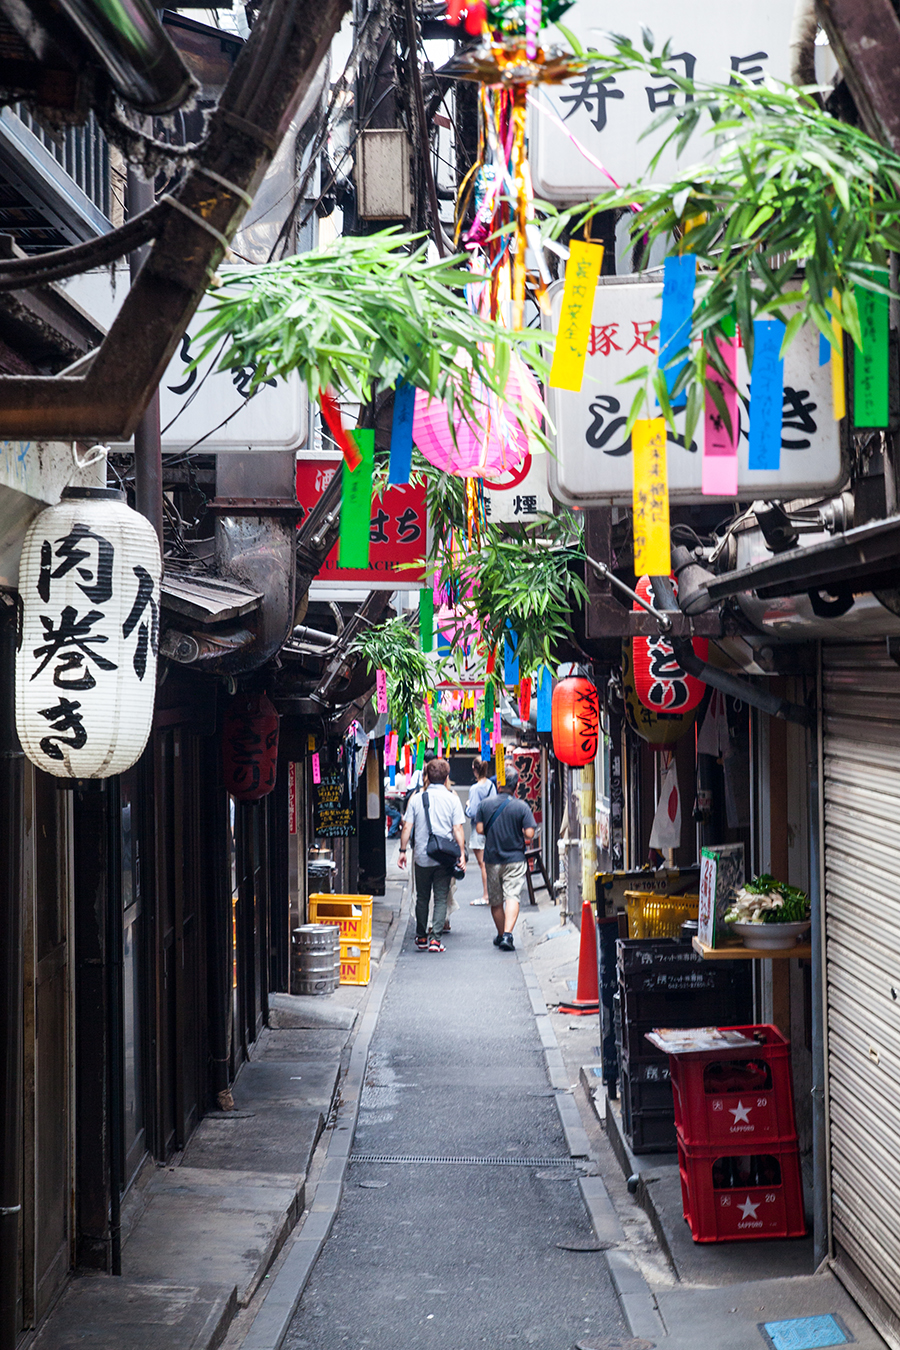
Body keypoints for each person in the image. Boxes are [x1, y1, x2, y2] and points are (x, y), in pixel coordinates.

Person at [398, 758, 466, 952]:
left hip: (421, 855)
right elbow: (457, 829)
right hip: (444, 857)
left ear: (426, 776)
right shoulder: (452, 798)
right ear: (446, 778)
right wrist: (461, 853)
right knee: (441, 897)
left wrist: (403, 851)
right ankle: (435, 940)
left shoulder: (417, 799)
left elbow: (407, 827)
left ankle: (421, 937)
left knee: (422, 897)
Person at [475, 765, 536, 952]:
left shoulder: (485, 804)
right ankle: (508, 935)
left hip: (493, 858)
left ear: (499, 785)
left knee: (496, 900)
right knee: (512, 896)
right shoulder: (521, 806)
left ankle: (501, 934)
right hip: (515, 859)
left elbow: (478, 829)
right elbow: (530, 833)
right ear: (516, 786)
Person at [465, 758, 496, 905]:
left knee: (483, 864)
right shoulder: (491, 786)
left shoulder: (475, 789)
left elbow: (472, 812)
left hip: (478, 828)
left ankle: (486, 895)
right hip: (490, 828)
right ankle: (492, 892)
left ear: (474, 769)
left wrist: (467, 806)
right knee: (489, 863)